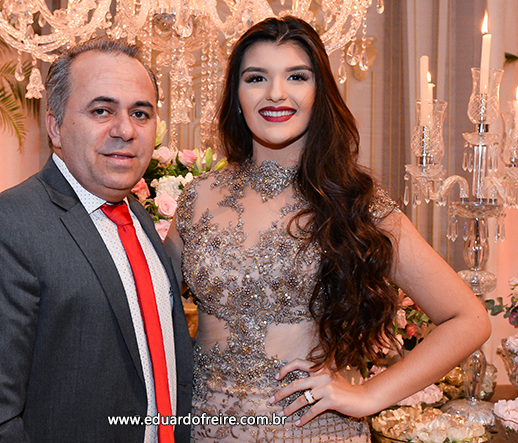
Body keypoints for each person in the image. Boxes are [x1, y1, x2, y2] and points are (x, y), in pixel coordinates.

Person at [165, 16, 490, 442]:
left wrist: (369, 395)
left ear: (320, 93)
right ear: (236, 96)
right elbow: (149, 311)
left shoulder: (356, 202)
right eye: (256, 77)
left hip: (314, 429)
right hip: (202, 427)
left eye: (297, 76)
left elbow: (468, 319)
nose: (275, 93)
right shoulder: (199, 198)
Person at [0, 37, 192, 443]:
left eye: (140, 113)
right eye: (101, 111)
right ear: (55, 127)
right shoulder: (2, 227)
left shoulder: (138, 218)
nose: (125, 130)